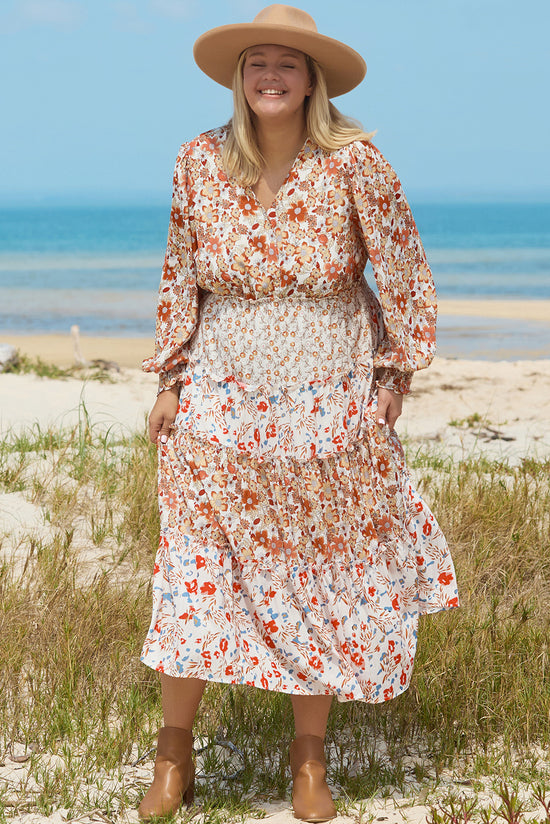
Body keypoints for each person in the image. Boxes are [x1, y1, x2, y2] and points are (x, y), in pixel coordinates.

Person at [139, 5, 459, 822]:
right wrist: (171, 379)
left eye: (287, 64)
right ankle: (173, 757)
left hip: (328, 403)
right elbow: (181, 277)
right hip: (221, 397)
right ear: (239, 79)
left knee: (318, 577)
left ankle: (308, 763)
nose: (271, 76)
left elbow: (406, 274)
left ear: (312, 80)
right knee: (195, 572)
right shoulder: (197, 161)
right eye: (257, 64)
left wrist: (394, 379)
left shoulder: (358, 165)